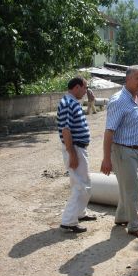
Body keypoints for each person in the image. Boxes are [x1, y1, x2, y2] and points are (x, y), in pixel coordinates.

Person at [100, 65, 138, 239]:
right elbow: (109, 132)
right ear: (127, 79)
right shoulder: (119, 101)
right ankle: (135, 226)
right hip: (123, 151)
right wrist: (106, 159)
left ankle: (122, 216)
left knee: (129, 187)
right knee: (133, 190)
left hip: (136, 150)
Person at [57, 77, 96, 233]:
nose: (86, 91)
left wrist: (91, 101)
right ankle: (68, 221)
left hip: (78, 148)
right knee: (82, 185)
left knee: (79, 183)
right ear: (77, 87)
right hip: (75, 149)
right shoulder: (67, 103)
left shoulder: (73, 102)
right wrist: (72, 153)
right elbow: (65, 130)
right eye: (85, 88)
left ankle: (80, 213)